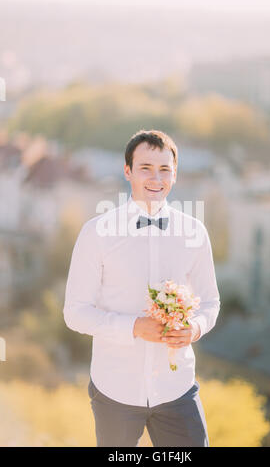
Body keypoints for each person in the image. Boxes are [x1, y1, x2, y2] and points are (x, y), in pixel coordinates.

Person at [63, 129, 220, 447]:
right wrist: (134, 327)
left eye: (164, 169)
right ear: (127, 171)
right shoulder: (97, 233)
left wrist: (195, 328)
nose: (156, 178)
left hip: (177, 389)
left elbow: (211, 302)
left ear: (174, 174)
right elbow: (75, 313)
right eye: (145, 168)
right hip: (116, 390)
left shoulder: (195, 232)